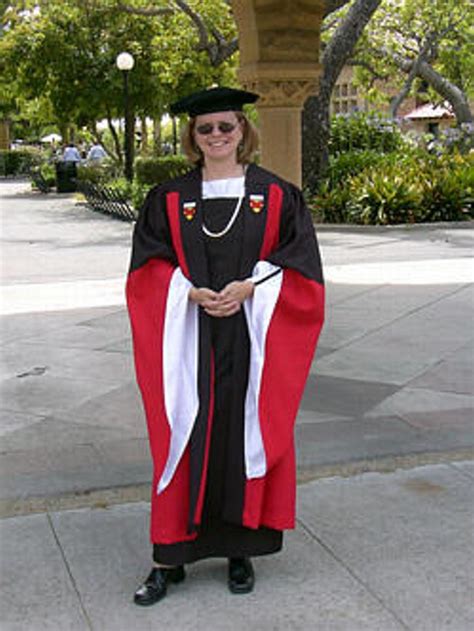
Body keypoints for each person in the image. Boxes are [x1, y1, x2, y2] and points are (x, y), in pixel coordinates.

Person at [126, 86, 325, 606]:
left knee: (240, 438)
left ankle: (240, 551)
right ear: (193, 137)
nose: (216, 136)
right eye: (205, 129)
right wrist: (185, 292)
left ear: (243, 131)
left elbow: (300, 265)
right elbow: (148, 268)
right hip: (186, 337)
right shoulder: (167, 199)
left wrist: (251, 287)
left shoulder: (277, 195)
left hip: (250, 341)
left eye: (226, 127)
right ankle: (167, 558)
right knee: (181, 437)